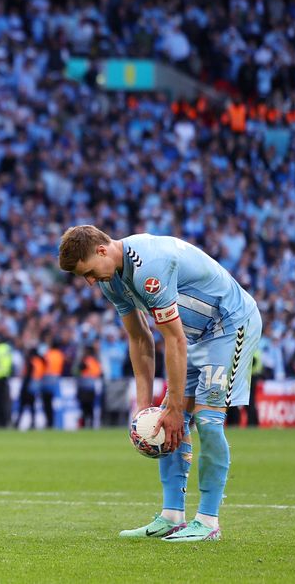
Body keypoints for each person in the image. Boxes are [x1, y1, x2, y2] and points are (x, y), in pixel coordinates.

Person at [59, 225, 262, 542]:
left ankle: (208, 522)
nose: (88, 282)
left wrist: (175, 405)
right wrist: (144, 409)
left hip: (230, 324)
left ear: (101, 250)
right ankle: (172, 517)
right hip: (196, 337)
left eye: (87, 272)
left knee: (207, 420)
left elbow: (173, 340)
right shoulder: (110, 281)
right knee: (166, 422)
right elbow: (140, 340)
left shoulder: (149, 267)